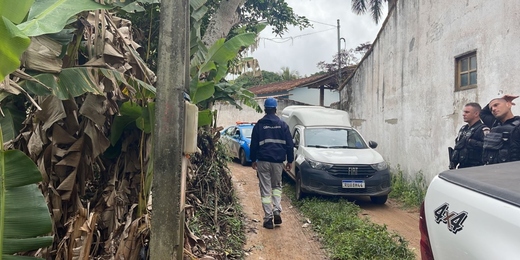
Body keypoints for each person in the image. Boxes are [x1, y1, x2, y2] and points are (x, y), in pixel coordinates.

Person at [250, 97, 294, 229]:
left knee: (265, 189)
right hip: (277, 162)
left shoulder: (259, 125)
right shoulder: (283, 125)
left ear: (265, 109)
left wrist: (253, 160)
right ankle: (276, 210)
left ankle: (268, 218)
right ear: (275, 109)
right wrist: (290, 161)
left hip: (263, 161)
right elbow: (289, 145)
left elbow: (253, 145)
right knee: (276, 187)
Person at [481, 95, 520, 164]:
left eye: (496, 105)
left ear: (508, 105)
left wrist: (502, 100)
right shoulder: (494, 123)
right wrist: (501, 99)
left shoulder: (518, 125)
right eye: (491, 109)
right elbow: (482, 113)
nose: (493, 109)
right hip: (494, 170)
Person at [449, 103, 488, 169]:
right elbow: (458, 147)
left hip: (476, 168)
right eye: (464, 112)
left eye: (467, 112)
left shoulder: (483, 129)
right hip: (462, 167)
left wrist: (471, 142)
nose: (463, 114)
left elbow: (487, 147)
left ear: (476, 114)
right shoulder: (463, 129)